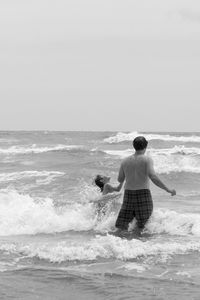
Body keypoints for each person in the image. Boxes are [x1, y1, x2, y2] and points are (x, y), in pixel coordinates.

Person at [115, 136, 176, 233]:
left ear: (133, 146)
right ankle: (139, 245)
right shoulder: (147, 159)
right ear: (146, 146)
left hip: (128, 195)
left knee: (122, 226)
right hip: (143, 194)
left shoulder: (125, 161)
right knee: (142, 226)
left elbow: (120, 179)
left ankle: (120, 244)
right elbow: (153, 177)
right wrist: (167, 189)